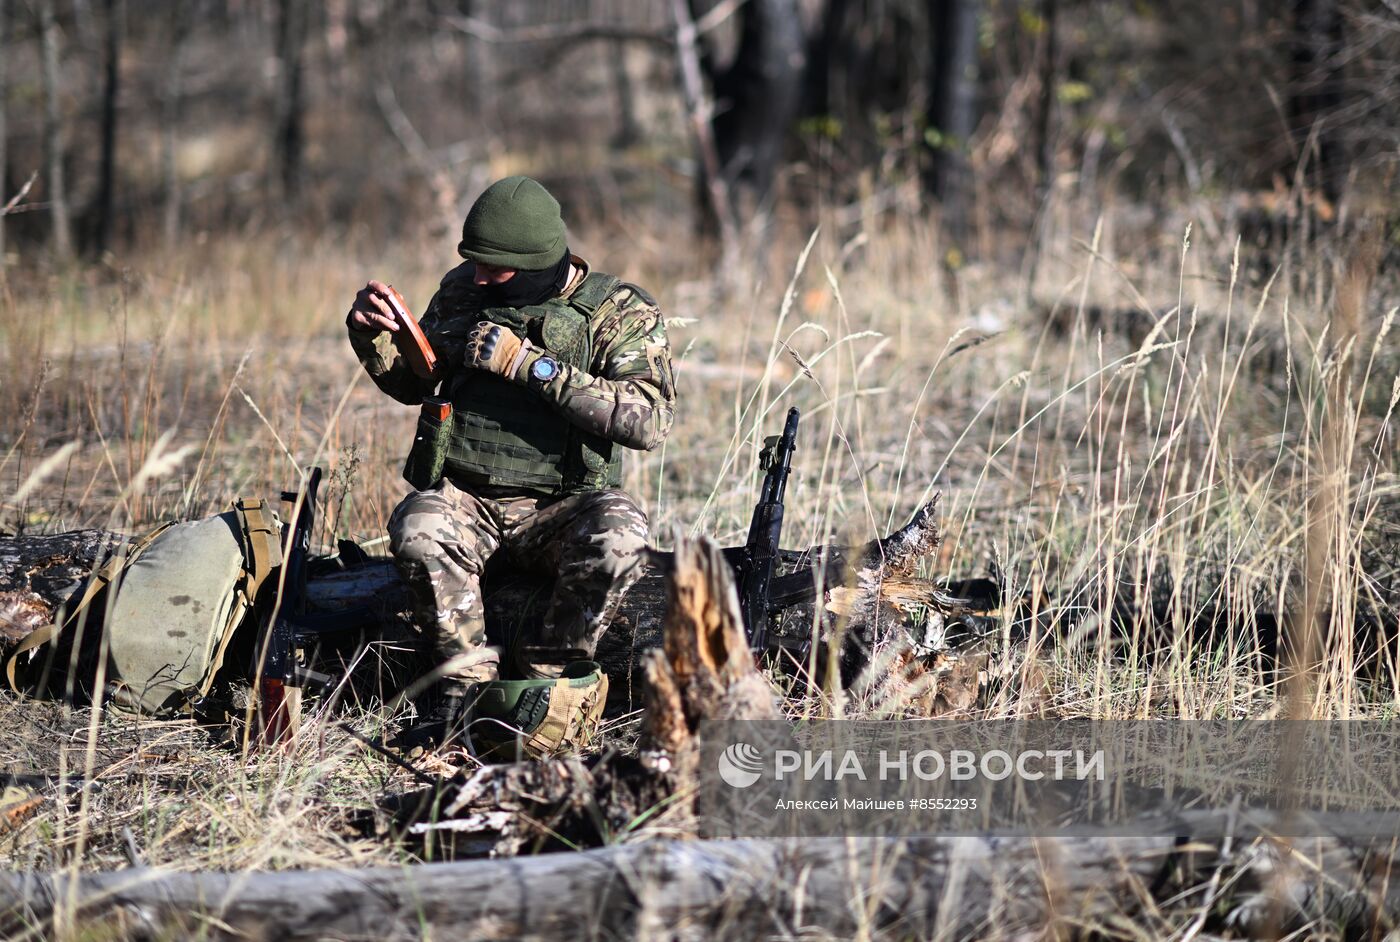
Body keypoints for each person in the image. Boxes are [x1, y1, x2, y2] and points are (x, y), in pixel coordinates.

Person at [345, 175, 675, 747]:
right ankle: (460, 688)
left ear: (536, 263)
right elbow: (415, 382)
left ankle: (545, 685)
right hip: (468, 496)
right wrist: (370, 338)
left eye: (493, 267)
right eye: (472, 262)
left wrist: (532, 366)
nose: (478, 276)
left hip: (562, 506)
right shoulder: (463, 292)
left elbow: (650, 420)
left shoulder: (617, 310)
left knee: (620, 535)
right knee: (418, 527)